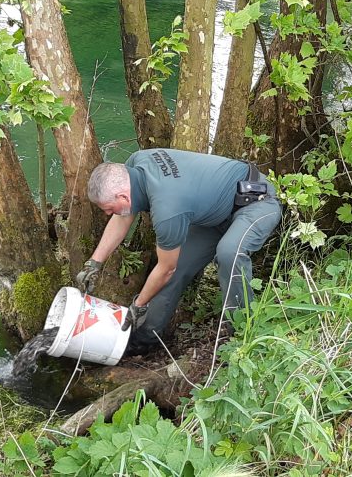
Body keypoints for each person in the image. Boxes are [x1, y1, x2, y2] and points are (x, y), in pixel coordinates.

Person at [76, 148, 282, 355]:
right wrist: (94, 263)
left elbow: (166, 269)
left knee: (229, 253)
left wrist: (138, 305)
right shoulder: (134, 164)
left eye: (109, 208)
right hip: (214, 215)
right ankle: (145, 339)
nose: (108, 214)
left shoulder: (167, 210)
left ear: (123, 195)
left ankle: (242, 335)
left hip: (257, 201)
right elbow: (122, 218)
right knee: (178, 267)